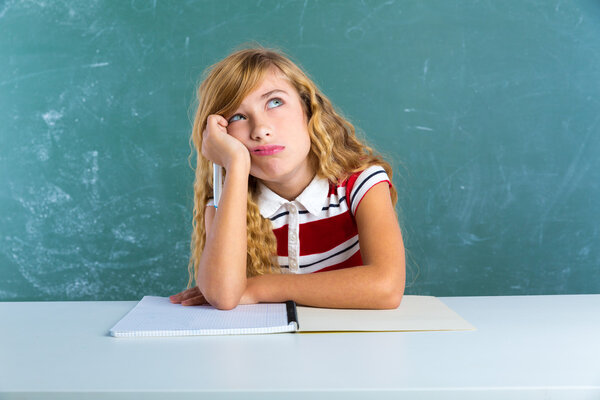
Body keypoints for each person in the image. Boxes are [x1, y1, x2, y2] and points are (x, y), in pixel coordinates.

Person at [169, 45, 405, 310]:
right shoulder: (227, 201)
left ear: (308, 108)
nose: (260, 129)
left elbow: (386, 288)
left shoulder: (360, 182)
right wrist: (235, 164)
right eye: (237, 116)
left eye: (275, 102)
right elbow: (224, 296)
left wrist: (257, 288)